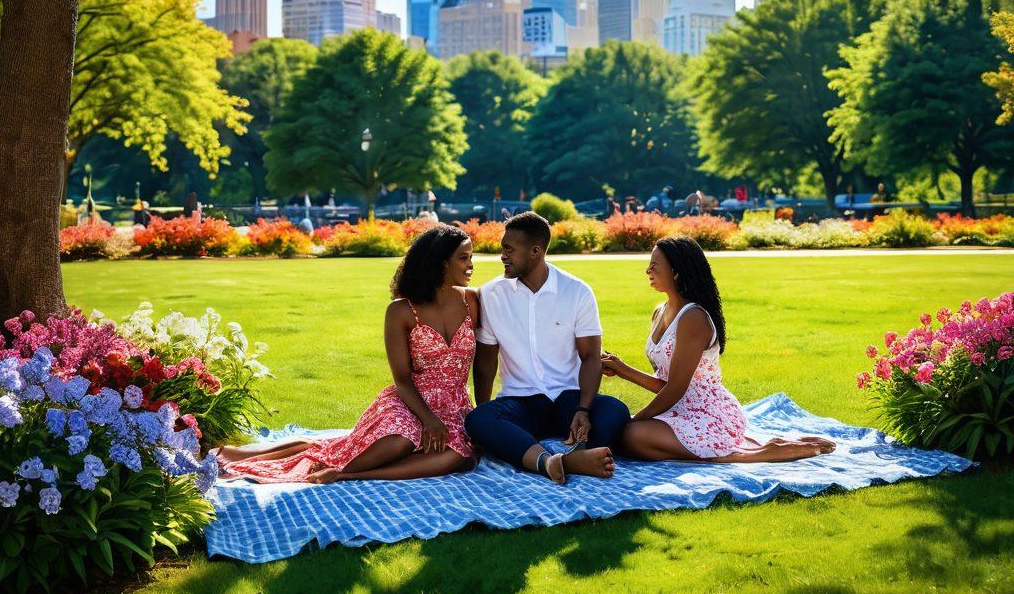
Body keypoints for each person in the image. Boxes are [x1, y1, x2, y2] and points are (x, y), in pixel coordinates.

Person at [218, 225, 480, 483]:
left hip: (454, 405)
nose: (471, 265)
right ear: (441, 263)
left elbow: (485, 362)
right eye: (463, 257)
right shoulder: (401, 310)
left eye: (471, 257)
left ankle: (348, 475)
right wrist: (428, 420)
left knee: (459, 456)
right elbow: (401, 379)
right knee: (395, 443)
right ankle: (248, 456)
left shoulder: (472, 301)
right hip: (410, 403)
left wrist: (480, 413)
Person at [601, 237, 835, 463]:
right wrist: (622, 369)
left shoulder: (693, 317)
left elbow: (675, 389)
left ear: (676, 271)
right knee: (626, 439)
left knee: (631, 435)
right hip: (680, 411)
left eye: (654, 265)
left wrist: (636, 418)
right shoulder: (659, 312)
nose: (647, 270)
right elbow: (669, 385)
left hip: (711, 415)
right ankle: (749, 448)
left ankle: (756, 454)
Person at [465, 211, 630, 484]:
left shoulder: (576, 291)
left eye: (509, 249)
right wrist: (486, 416)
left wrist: (583, 411)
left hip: (568, 399)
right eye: (502, 249)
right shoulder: (492, 294)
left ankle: (567, 454)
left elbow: (590, 358)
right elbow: (485, 363)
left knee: (615, 411)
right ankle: (554, 461)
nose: (502, 256)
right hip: (522, 403)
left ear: (535, 251)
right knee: (478, 420)